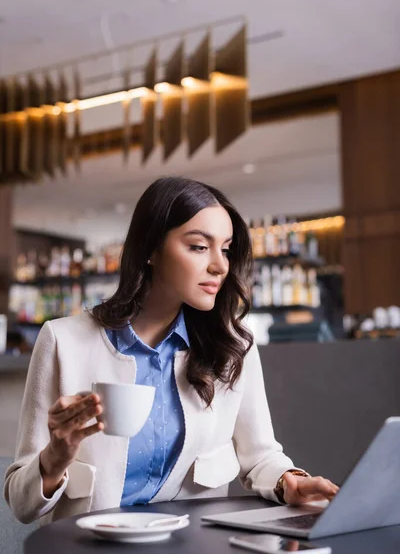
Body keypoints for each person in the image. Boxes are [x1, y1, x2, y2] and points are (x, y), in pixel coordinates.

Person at [4, 177, 338, 525]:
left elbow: (260, 457)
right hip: (88, 547)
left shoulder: (233, 347)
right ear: (150, 249)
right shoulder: (64, 342)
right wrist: (55, 458)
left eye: (225, 249)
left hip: (193, 544)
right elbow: (21, 504)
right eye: (198, 246)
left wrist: (290, 482)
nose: (220, 265)